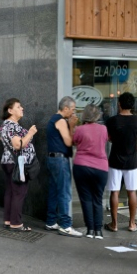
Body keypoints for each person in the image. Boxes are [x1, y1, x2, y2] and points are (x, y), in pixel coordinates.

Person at [104, 91, 137, 233]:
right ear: (132, 105)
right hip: (131, 161)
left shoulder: (112, 121)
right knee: (131, 192)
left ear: (119, 104)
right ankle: (132, 224)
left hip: (115, 159)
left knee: (114, 192)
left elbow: (108, 138)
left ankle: (114, 224)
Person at [45, 96, 82, 237]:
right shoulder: (60, 120)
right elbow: (68, 142)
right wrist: (72, 125)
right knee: (64, 192)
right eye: (72, 109)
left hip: (52, 158)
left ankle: (51, 221)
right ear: (65, 108)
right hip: (60, 160)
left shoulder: (53, 119)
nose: (73, 113)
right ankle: (65, 225)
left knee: (54, 190)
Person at [0, 98, 37, 232]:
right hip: (17, 163)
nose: (22, 109)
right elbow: (17, 145)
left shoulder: (6, 125)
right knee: (19, 193)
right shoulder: (11, 125)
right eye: (18, 107)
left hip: (9, 161)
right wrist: (30, 133)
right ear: (10, 110)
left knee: (11, 192)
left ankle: (8, 220)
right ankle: (16, 223)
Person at [72, 104, 108, 239]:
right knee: (98, 199)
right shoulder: (103, 129)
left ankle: (90, 230)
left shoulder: (79, 129)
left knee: (86, 199)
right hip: (101, 167)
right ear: (97, 116)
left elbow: (74, 142)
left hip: (82, 166)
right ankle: (98, 231)